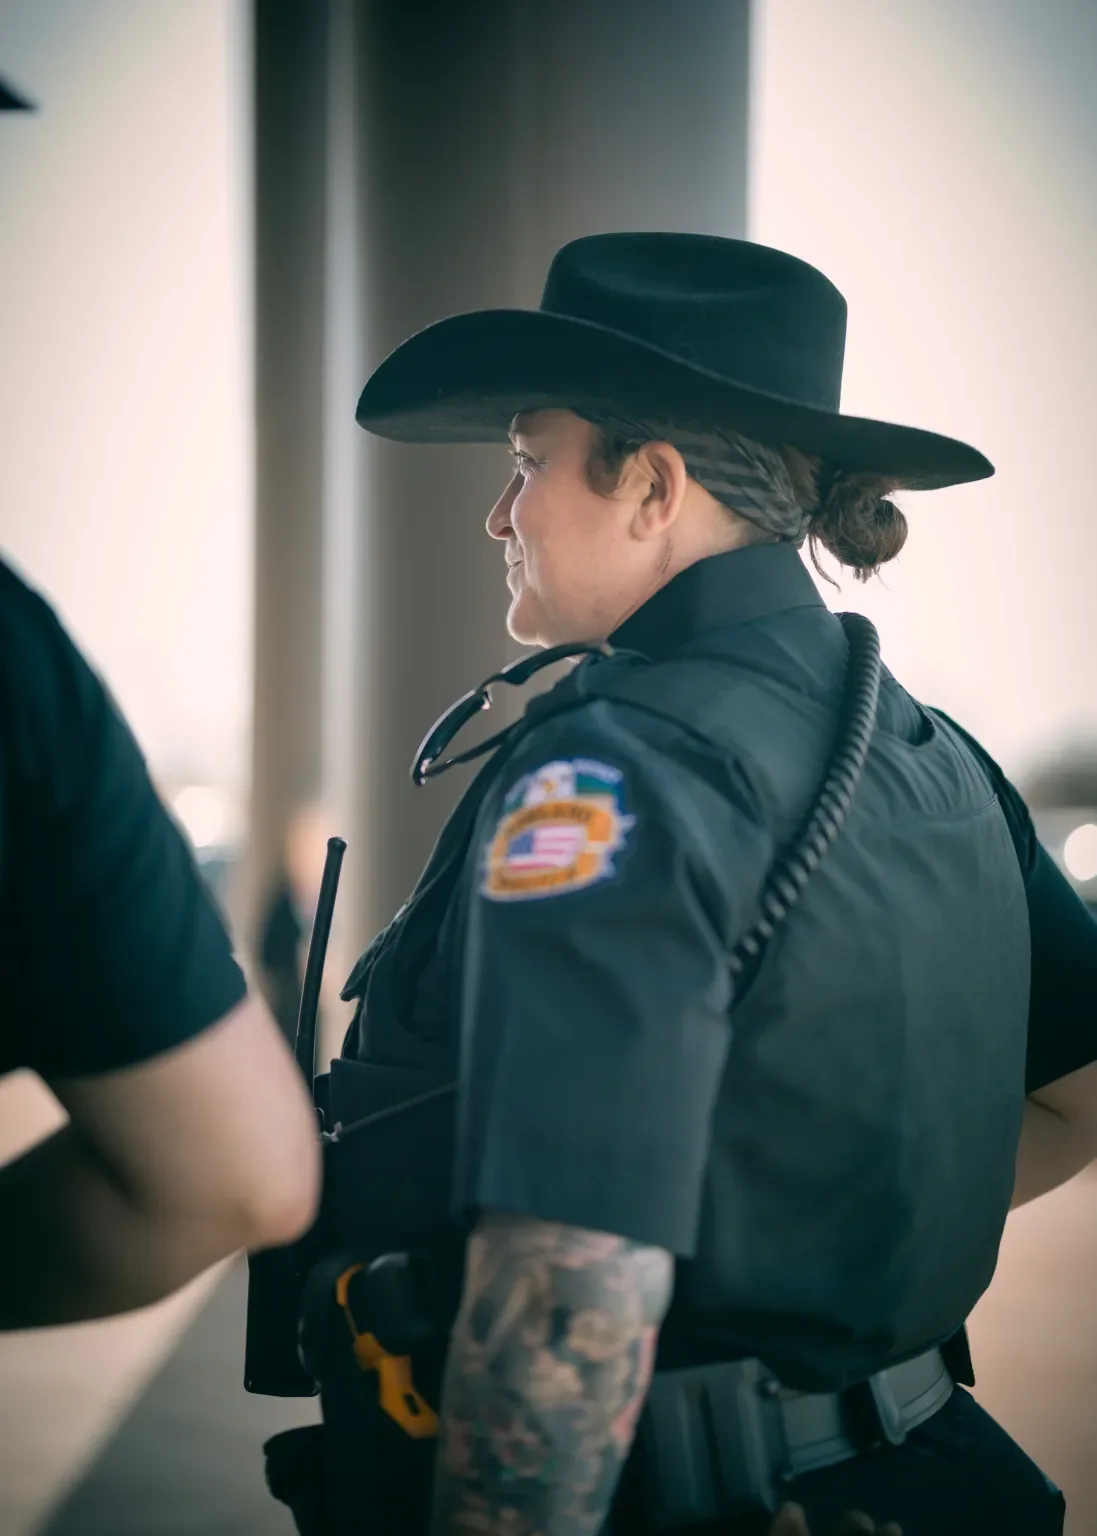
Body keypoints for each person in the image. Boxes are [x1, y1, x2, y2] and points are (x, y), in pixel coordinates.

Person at [281, 232, 1097, 1535]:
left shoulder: (613, 774)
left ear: (654, 490)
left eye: (527, 462)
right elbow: (1078, 1093)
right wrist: (826, 1239)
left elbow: (566, 1298)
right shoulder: (937, 756)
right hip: (943, 1477)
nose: (501, 514)